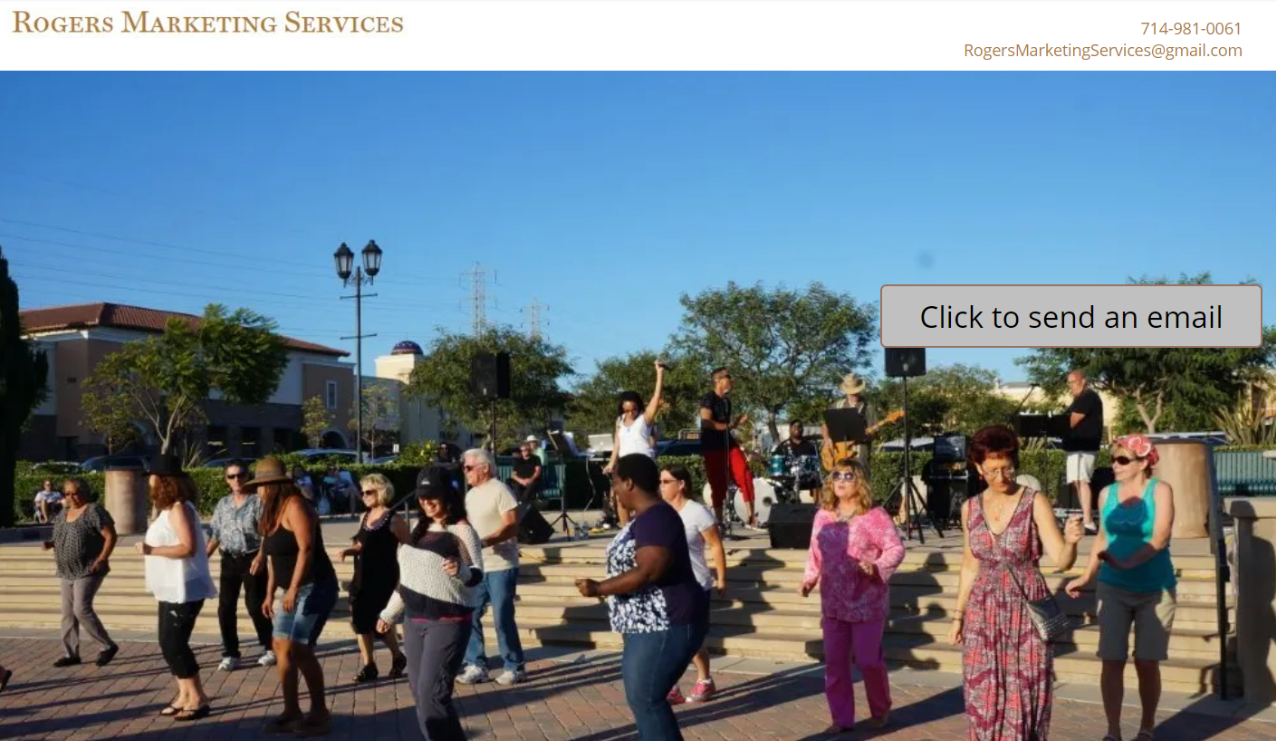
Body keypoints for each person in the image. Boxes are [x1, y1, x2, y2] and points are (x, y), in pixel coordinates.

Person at [949, 425, 1083, 741]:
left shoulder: (1034, 501)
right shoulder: (970, 508)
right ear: (978, 467)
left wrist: (1073, 541)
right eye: (993, 469)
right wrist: (958, 616)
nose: (1001, 476)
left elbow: (1062, 560)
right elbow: (970, 565)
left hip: (1026, 608)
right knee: (982, 692)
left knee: (1025, 691)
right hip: (983, 612)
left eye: (1007, 467)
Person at [576, 454, 709, 741]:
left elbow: (650, 570)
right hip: (648, 625)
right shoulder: (646, 518)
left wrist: (600, 588)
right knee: (645, 700)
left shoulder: (657, 517)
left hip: (665, 623)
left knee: (647, 699)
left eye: (614, 482)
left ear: (629, 482)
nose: (614, 490)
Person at [1065, 434, 1176, 741]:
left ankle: (1147, 727)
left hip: (1155, 588)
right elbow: (1101, 538)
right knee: (1112, 659)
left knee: (1146, 661)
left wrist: (1128, 562)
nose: (1115, 465)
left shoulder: (1160, 490)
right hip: (1113, 587)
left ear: (1143, 463)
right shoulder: (1107, 494)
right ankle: (1113, 731)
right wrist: (1087, 575)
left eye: (1123, 460)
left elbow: (1160, 537)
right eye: (1113, 459)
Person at [378, 467, 484, 741]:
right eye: (423, 496)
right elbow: (409, 580)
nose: (426, 502)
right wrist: (389, 613)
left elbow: (476, 575)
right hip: (413, 621)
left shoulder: (462, 531)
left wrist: (460, 570)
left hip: (448, 622)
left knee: (432, 694)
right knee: (419, 692)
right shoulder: (417, 529)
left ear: (449, 495)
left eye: (433, 496)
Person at [800, 457, 904, 732]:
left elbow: (895, 549)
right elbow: (815, 552)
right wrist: (809, 579)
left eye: (848, 476)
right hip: (833, 602)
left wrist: (876, 566)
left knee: (869, 661)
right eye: (836, 476)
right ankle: (841, 718)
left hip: (866, 601)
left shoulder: (875, 515)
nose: (841, 481)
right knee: (835, 664)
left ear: (860, 481)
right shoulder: (823, 516)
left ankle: (881, 708)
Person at [249, 457, 339, 737]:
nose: (258, 492)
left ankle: (320, 713)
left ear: (275, 486)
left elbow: (306, 549)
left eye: (262, 486)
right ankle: (291, 710)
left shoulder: (296, 506)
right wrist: (269, 593)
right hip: (290, 591)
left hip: (315, 586)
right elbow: (274, 558)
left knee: (300, 648)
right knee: (280, 646)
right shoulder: (271, 513)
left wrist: (293, 588)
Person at [137, 455, 217, 722]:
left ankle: (198, 697)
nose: (148, 481)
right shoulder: (168, 510)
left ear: (162, 480)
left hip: (185, 588)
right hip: (170, 586)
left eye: (151, 476)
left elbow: (188, 547)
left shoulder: (181, 509)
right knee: (167, 642)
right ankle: (183, 694)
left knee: (175, 643)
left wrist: (151, 550)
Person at [457, 448, 527, 685]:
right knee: (470, 613)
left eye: (468, 467)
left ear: (484, 467)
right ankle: (476, 664)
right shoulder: (470, 495)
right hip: (476, 565)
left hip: (501, 564)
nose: (464, 472)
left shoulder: (501, 490)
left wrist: (486, 541)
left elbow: (512, 526)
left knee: (502, 616)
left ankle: (514, 666)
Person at [660, 464, 726, 705]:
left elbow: (716, 546)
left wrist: (721, 578)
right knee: (668, 636)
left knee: (692, 638)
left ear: (681, 484)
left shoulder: (698, 512)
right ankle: (672, 684)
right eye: (661, 481)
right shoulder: (661, 512)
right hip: (668, 584)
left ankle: (705, 680)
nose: (661, 486)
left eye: (666, 481)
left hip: (696, 583)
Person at [207, 460, 276, 671]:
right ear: (226, 479)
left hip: (252, 557)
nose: (237, 479)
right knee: (225, 607)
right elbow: (216, 534)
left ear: (248, 476)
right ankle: (230, 653)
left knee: (255, 606)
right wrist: (202, 558)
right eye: (231, 476)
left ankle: (270, 647)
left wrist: (261, 557)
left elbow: (267, 533)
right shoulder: (223, 504)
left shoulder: (257, 502)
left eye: (240, 475)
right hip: (229, 559)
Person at [43, 477, 119, 669]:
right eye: (67, 493)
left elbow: (111, 536)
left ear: (85, 492)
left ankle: (107, 646)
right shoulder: (64, 513)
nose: (72, 497)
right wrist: (50, 544)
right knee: (68, 614)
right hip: (66, 571)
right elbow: (61, 536)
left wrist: (102, 558)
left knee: (81, 609)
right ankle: (71, 653)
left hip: (89, 568)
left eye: (75, 492)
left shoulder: (94, 510)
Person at [341, 473, 409, 683]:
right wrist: (348, 551)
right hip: (362, 576)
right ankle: (369, 664)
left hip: (384, 578)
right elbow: (362, 545)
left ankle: (398, 656)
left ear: (381, 491)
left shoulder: (394, 519)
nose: (364, 496)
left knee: (380, 621)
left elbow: (409, 547)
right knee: (360, 621)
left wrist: (405, 576)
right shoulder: (366, 516)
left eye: (368, 492)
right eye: (362, 493)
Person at [603, 359, 667, 527]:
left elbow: (656, 397)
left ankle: (653, 526)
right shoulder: (620, 420)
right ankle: (626, 530)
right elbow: (618, 441)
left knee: (646, 496)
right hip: (625, 461)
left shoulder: (644, 418)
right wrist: (611, 462)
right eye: (626, 410)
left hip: (643, 460)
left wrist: (659, 373)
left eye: (633, 409)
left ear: (639, 407)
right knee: (620, 497)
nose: (630, 413)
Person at [699, 366, 757, 528]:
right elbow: (706, 422)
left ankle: (751, 517)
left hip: (728, 444)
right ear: (718, 380)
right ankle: (719, 522)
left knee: (744, 475)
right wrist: (733, 424)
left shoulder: (726, 401)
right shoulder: (708, 398)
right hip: (712, 446)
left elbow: (727, 427)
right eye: (728, 377)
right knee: (718, 484)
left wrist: (733, 429)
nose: (731, 381)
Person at [1064, 369, 1105, 534]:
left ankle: (1088, 522)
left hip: (1084, 446)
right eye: (1069, 383)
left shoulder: (1088, 396)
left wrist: (1056, 425)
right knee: (1077, 481)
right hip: (1075, 447)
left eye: (1073, 382)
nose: (1070, 387)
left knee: (1082, 480)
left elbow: (1072, 421)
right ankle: (1086, 519)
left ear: (1082, 381)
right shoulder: (1078, 399)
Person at [821, 373, 878, 474]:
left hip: (859, 453)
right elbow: (825, 426)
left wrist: (864, 435)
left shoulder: (868, 408)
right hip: (838, 453)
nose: (853, 394)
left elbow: (874, 434)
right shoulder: (836, 405)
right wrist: (827, 439)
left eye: (855, 390)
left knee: (859, 483)